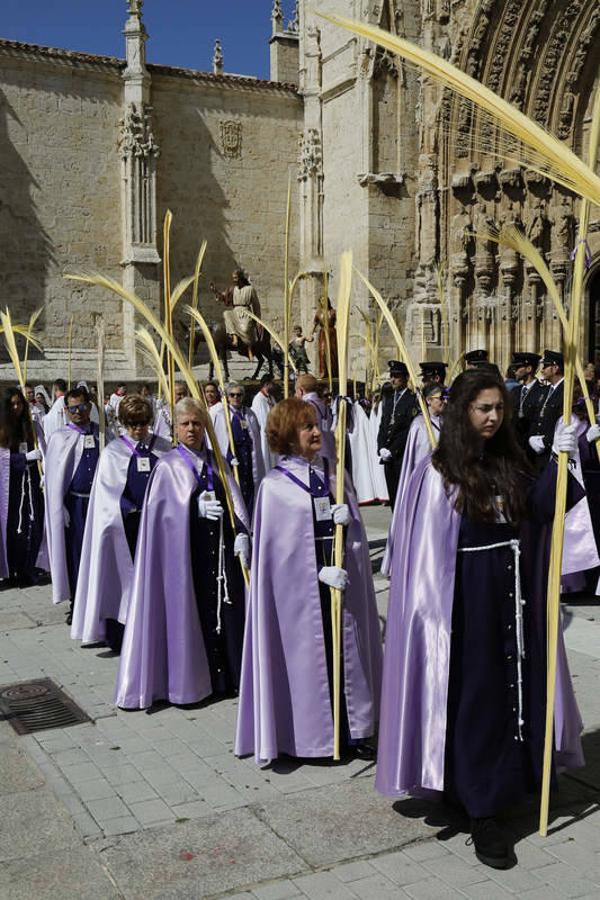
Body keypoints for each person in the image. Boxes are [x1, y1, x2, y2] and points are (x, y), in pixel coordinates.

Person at [376, 369, 585, 869]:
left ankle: (512, 784)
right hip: (466, 607)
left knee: (514, 692)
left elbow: (536, 513)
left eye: (498, 408)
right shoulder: (440, 470)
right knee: (477, 700)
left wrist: (561, 461)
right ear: (461, 412)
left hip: (511, 598)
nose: (493, 417)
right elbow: (428, 563)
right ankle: (481, 808)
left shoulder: (510, 460)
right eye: (483, 409)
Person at [235, 398, 383, 765]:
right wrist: (315, 572)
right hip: (304, 595)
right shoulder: (275, 487)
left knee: (347, 654)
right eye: (307, 427)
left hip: (340, 581)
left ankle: (353, 731)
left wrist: (349, 529)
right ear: (287, 436)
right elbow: (278, 561)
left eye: (317, 424)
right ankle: (313, 736)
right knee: (312, 661)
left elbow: (358, 540)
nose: (317, 432)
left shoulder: (335, 473)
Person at [115, 397, 250, 709]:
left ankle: (232, 677)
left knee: (229, 613)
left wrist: (242, 533)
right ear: (175, 428)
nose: (192, 429)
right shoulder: (169, 466)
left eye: (197, 423)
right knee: (197, 617)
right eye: (186, 423)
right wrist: (192, 508)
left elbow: (235, 504)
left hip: (222, 556)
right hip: (190, 560)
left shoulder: (216, 461)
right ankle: (198, 682)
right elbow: (162, 521)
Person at [71, 395, 171, 652]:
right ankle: (121, 632)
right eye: (133, 424)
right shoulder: (113, 453)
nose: (139, 429)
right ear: (125, 424)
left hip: (157, 527)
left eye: (143, 423)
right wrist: (127, 508)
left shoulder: (163, 448)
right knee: (123, 581)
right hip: (126, 528)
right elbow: (106, 495)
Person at [44, 386, 100, 622]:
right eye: (73, 408)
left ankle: (99, 601)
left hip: (99, 503)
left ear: (89, 407)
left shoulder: (102, 433)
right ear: (66, 411)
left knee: (98, 553)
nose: (79, 412)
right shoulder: (60, 437)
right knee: (77, 555)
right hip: (76, 505)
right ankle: (77, 602)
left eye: (83, 407)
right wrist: (61, 507)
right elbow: (54, 478)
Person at [380, 382, 446, 577]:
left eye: (444, 397)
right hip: (426, 485)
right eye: (440, 398)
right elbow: (416, 460)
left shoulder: (446, 422)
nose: (443, 401)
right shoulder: (419, 425)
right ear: (428, 401)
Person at [0, 388, 45, 586]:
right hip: (10, 488)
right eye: (12, 404)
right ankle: (10, 570)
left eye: (19, 403)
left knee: (31, 525)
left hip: (30, 483)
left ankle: (28, 568)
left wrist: (44, 469)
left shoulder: (32, 427)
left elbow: (43, 450)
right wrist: (23, 458)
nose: (16, 408)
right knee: (11, 528)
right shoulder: (2, 428)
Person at [212, 383, 264, 515]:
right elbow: (219, 442)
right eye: (232, 395)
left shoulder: (250, 414)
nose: (236, 397)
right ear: (228, 397)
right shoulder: (222, 415)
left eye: (239, 395)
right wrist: (228, 457)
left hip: (249, 461)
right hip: (234, 462)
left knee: (250, 491)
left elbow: (256, 435)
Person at [377, 361, 417, 508]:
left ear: (405, 378)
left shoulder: (411, 399)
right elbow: (383, 425)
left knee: (403, 497)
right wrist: (380, 447)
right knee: (393, 496)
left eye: (397, 376)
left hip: (401, 455)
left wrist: (393, 450)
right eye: (391, 376)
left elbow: (409, 429)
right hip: (387, 456)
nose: (392, 379)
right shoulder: (389, 399)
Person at [528, 350, 564, 468]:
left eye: (546, 366)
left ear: (555, 368)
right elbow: (538, 415)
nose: (542, 370)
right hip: (538, 452)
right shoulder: (546, 390)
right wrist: (532, 438)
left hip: (554, 450)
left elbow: (567, 423)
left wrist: (546, 441)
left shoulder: (567, 391)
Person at [211, 268, 259, 354]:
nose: (234, 280)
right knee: (226, 313)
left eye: (236, 278)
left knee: (245, 328)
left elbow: (256, 305)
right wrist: (215, 291)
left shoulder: (250, 289)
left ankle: (249, 346)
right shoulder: (232, 289)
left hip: (246, 312)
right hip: (235, 312)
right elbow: (223, 297)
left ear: (241, 278)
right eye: (233, 278)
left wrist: (257, 319)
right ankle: (234, 336)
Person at [508, 352, 545, 452]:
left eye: (518, 367)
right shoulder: (515, 391)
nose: (514, 371)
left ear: (529, 369)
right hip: (515, 445)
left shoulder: (543, 391)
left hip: (531, 445)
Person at [295, 373, 335, 461]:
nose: (295, 395)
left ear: (301, 390)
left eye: (296, 391)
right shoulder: (324, 405)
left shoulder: (305, 407)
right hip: (329, 452)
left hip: (315, 458)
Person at [251, 374, 277, 471]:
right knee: (266, 461)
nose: (274, 385)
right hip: (265, 434)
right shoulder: (259, 399)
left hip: (273, 434)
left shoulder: (271, 398)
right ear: (266, 384)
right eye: (272, 383)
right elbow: (263, 420)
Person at [311, 298, 338, 380]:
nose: (324, 302)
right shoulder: (319, 313)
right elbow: (315, 323)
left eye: (325, 300)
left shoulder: (333, 311)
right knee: (322, 352)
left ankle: (334, 372)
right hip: (323, 333)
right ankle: (323, 372)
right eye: (322, 300)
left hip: (332, 333)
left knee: (332, 352)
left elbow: (339, 321)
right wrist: (311, 333)